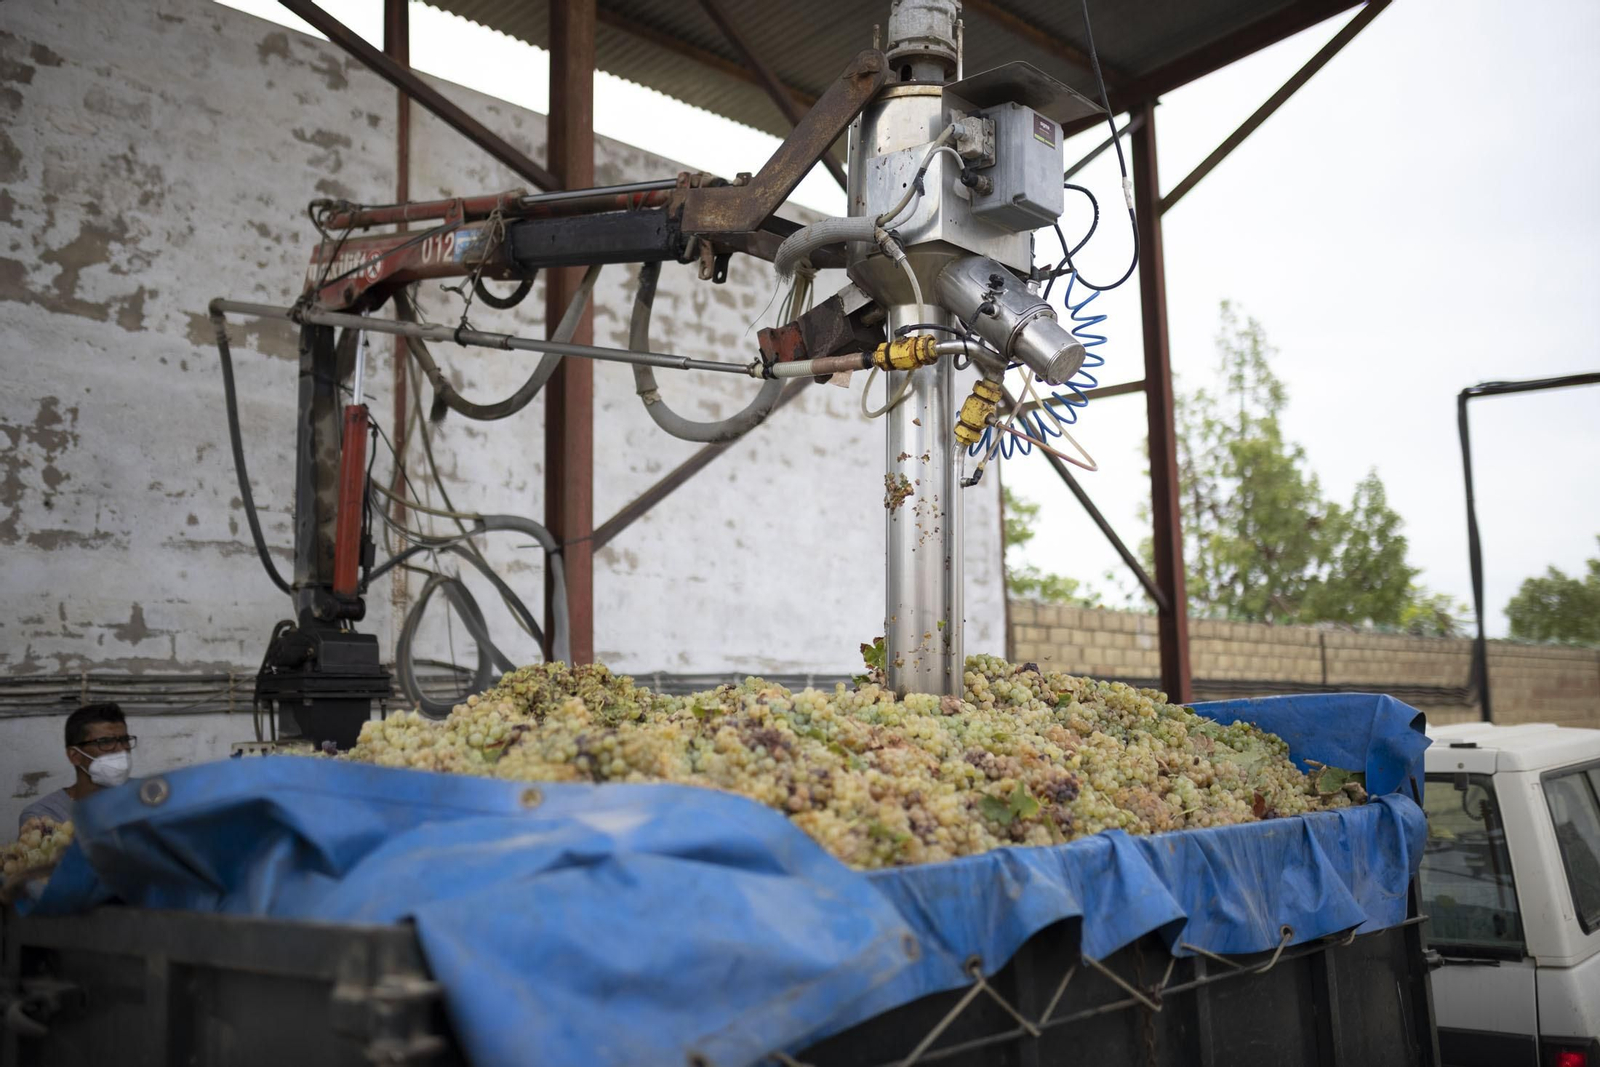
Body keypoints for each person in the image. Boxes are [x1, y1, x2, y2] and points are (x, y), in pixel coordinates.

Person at [17, 702, 136, 832]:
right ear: (75, 756)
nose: (121, 750)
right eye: (106, 742)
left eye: (124, 740)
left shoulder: (147, 795)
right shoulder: (45, 816)